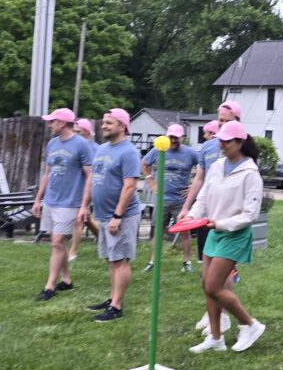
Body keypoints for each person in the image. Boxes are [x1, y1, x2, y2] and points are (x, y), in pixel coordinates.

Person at [186, 120, 266, 354]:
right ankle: (216, 337)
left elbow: (249, 215)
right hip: (214, 232)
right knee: (206, 284)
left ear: (240, 142)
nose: (221, 144)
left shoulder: (250, 174)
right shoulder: (218, 166)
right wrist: (192, 216)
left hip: (234, 234)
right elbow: (204, 196)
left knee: (213, 286)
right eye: (220, 140)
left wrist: (220, 223)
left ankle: (250, 325)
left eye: (227, 141)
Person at [79, 108, 141, 323]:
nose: (103, 126)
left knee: (120, 259)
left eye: (109, 123)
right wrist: (84, 205)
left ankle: (117, 307)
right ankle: (112, 298)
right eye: (104, 122)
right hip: (103, 214)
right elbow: (93, 179)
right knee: (111, 259)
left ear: (122, 126)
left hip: (122, 215)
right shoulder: (103, 148)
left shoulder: (129, 152)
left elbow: (130, 186)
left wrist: (117, 215)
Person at [182, 103, 240, 334]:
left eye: (226, 121)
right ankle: (212, 311)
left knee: (223, 270)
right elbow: (199, 179)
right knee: (206, 269)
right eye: (219, 120)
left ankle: (223, 315)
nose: (221, 125)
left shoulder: (241, 147)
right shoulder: (207, 147)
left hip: (227, 219)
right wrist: (187, 208)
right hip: (206, 215)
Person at [31, 108, 94, 301]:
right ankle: (66, 280)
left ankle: (50, 285)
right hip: (51, 200)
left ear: (62, 123)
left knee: (57, 242)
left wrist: (84, 205)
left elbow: (90, 174)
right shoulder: (52, 144)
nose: (49, 125)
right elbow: (48, 172)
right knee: (59, 243)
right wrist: (38, 198)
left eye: (52, 121)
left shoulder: (81, 145)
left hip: (70, 202)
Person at [141, 123, 199, 274]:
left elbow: (203, 168)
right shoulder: (159, 150)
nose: (173, 140)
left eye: (176, 137)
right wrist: (151, 182)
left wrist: (193, 187)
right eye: (171, 137)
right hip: (162, 200)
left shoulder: (190, 153)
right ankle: (153, 261)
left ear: (182, 137)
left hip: (180, 201)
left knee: (185, 232)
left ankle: (187, 262)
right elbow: (144, 163)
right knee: (158, 231)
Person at [68, 118, 100, 261]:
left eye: (78, 132)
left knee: (79, 219)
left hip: (89, 188)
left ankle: (72, 252)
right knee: (85, 218)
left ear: (87, 132)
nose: (75, 134)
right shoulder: (74, 146)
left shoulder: (96, 149)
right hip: (75, 188)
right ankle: (104, 240)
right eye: (74, 131)